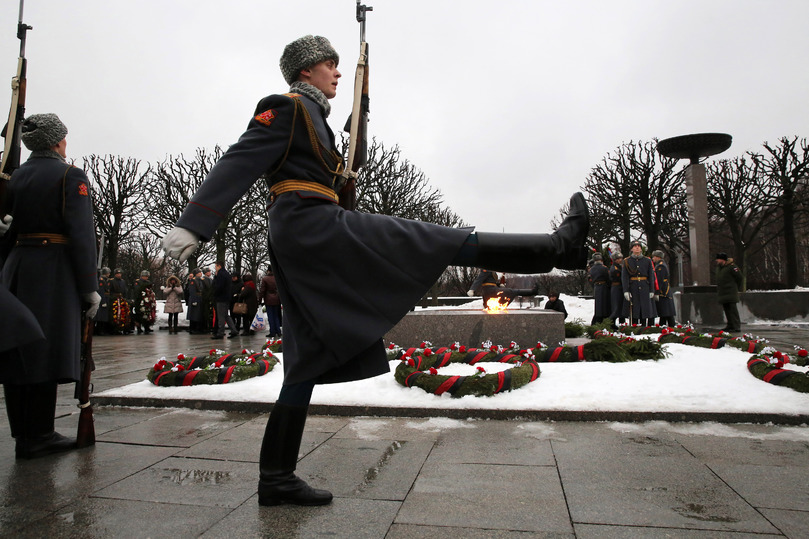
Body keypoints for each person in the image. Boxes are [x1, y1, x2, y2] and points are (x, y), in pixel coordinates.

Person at [162, 35, 589, 507]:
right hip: (311, 228)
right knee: (431, 238)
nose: (337, 73)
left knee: (302, 361)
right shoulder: (284, 108)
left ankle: (276, 477)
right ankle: (556, 247)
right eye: (329, 65)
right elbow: (239, 160)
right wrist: (194, 223)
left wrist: (358, 121)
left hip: (313, 229)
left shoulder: (318, 120)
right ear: (305, 71)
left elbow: (341, 170)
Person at [0, 113, 100, 459]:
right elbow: (82, 236)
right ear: (57, 142)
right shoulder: (70, 176)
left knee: (18, 352)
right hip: (53, 269)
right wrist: (90, 286)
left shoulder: (12, 177)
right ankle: (39, 434)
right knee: (44, 350)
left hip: (15, 267)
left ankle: (24, 433)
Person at [621, 241, 656, 326]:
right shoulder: (627, 261)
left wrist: (652, 290)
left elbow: (651, 276)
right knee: (635, 308)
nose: (637, 248)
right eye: (635, 246)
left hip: (645, 286)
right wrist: (626, 290)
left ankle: (644, 326)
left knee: (644, 308)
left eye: (639, 246)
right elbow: (625, 277)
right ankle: (634, 325)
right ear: (631, 249)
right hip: (633, 286)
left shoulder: (647, 260)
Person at [467, 269, 537, 307]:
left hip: (492, 290)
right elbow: (479, 279)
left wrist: (499, 284)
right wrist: (472, 289)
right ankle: (532, 292)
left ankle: (532, 292)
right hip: (490, 291)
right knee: (512, 291)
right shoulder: (487, 269)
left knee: (512, 292)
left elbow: (491, 281)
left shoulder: (492, 270)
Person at [715, 252, 743, 332]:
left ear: (722, 259)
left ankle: (736, 326)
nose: (717, 260)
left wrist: (735, 287)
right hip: (723, 292)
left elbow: (739, 277)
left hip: (730, 292)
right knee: (727, 310)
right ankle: (730, 325)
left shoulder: (732, 267)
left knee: (733, 310)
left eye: (718, 259)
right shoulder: (719, 268)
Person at [211, 261, 239, 339]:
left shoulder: (220, 274)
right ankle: (234, 330)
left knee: (221, 316)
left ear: (219, 266)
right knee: (226, 315)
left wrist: (215, 293)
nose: (215, 268)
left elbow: (218, 286)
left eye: (215, 266)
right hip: (226, 297)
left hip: (221, 298)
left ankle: (220, 332)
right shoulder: (226, 274)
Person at [651, 250, 676, 327]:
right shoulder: (660, 265)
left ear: (658, 257)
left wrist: (657, 291)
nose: (653, 258)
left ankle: (668, 325)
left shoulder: (660, 266)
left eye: (654, 257)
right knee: (664, 311)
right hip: (664, 290)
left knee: (665, 310)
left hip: (663, 291)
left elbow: (659, 280)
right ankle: (663, 324)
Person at [260, 266, 282, 338]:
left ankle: (272, 331)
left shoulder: (265, 279)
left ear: (268, 270)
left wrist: (260, 300)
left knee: (270, 316)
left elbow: (262, 290)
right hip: (277, 299)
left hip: (268, 300)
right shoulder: (277, 278)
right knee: (276, 316)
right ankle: (278, 331)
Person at [588, 253, 610, 325]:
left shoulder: (591, 269)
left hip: (596, 287)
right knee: (605, 305)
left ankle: (597, 320)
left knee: (598, 305)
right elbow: (608, 278)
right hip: (604, 286)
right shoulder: (604, 268)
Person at [608, 253, 628, 328]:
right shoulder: (615, 269)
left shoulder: (619, 267)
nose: (620, 260)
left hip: (619, 288)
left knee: (620, 306)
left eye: (621, 258)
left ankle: (621, 322)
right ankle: (611, 323)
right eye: (618, 259)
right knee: (616, 307)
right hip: (617, 288)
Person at [133, 270, 156, 334]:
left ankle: (147, 327)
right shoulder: (137, 282)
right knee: (139, 314)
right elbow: (137, 291)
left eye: (147, 276)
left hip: (147, 301)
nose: (146, 278)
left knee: (147, 314)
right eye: (145, 276)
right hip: (140, 300)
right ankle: (139, 327)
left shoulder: (148, 282)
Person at [110, 268, 131, 334]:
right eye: (118, 274)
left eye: (120, 274)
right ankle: (115, 328)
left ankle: (124, 327)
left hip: (122, 299)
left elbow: (125, 291)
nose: (119, 275)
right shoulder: (111, 281)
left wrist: (126, 298)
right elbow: (110, 291)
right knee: (116, 314)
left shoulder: (123, 281)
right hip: (115, 299)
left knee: (124, 313)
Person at [186, 268, 205, 334]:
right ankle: (192, 328)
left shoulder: (200, 280)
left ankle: (197, 328)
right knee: (193, 315)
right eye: (199, 272)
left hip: (199, 298)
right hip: (195, 298)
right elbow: (192, 291)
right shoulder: (193, 281)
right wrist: (194, 300)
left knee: (198, 314)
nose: (201, 273)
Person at [95, 266, 112, 335]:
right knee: (101, 317)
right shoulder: (101, 280)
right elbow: (101, 291)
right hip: (103, 299)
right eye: (108, 273)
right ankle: (100, 330)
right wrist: (103, 301)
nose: (109, 274)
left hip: (106, 298)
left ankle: (103, 330)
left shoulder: (106, 280)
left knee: (104, 316)